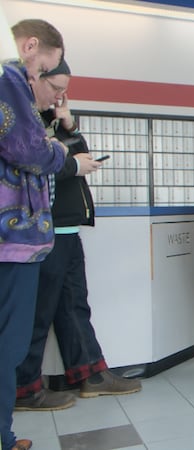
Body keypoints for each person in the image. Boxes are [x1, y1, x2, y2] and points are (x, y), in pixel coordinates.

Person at [14, 60, 143, 413]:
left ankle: (89, 374)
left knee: (73, 306)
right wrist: (73, 163)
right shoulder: (23, 123)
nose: (59, 97)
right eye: (55, 89)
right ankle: (24, 387)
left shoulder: (52, 122)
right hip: (44, 231)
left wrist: (68, 123)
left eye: (63, 92)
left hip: (67, 228)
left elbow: (73, 155)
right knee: (38, 313)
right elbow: (42, 166)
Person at [1, 19, 67, 450]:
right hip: (12, 240)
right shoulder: (9, 82)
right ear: (31, 48)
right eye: (51, 72)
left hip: (15, 238)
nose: (55, 93)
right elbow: (29, 150)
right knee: (9, 341)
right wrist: (59, 150)